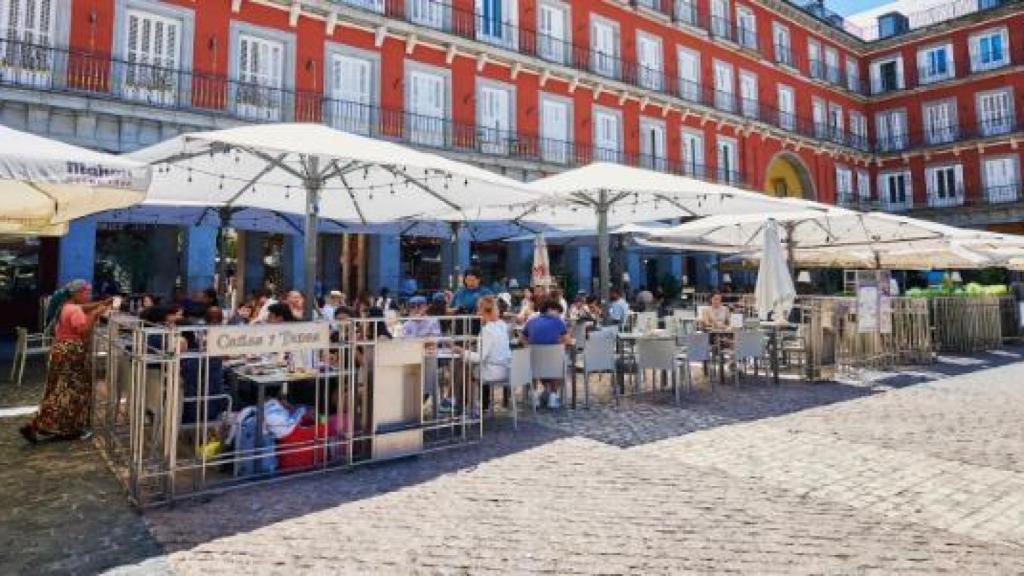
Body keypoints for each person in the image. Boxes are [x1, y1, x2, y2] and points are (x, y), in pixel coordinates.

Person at [21, 280, 111, 443]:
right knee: (72, 391)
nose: (88, 296)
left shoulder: (66, 306)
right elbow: (83, 332)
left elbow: (85, 307)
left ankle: (42, 425)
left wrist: (101, 304)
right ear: (77, 293)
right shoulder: (75, 310)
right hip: (71, 353)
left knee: (57, 389)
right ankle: (56, 427)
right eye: (86, 293)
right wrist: (96, 314)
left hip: (60, 350)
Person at [454, 296, 511, 411]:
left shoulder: (487, 330)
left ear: (483, 311)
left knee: (463, 367)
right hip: (506, 370)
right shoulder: (503, 326)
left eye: (478, 310)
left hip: (492, 372)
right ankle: (462, 403)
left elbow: (480, 358)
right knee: (465, 366)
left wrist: (462, 351)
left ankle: (464, 404)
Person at [522, 298, 571, 409]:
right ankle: (553, 397)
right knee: (559, 363)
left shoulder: (531, 322)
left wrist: (530, 345)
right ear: (550, 310)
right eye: (558, 312)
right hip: (553, 366)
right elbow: (567, 340)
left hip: (534, 366)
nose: (559, 315)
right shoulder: (558, 322)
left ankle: (534, 395)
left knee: (533, 363)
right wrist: (557, 342)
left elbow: (522, 339)